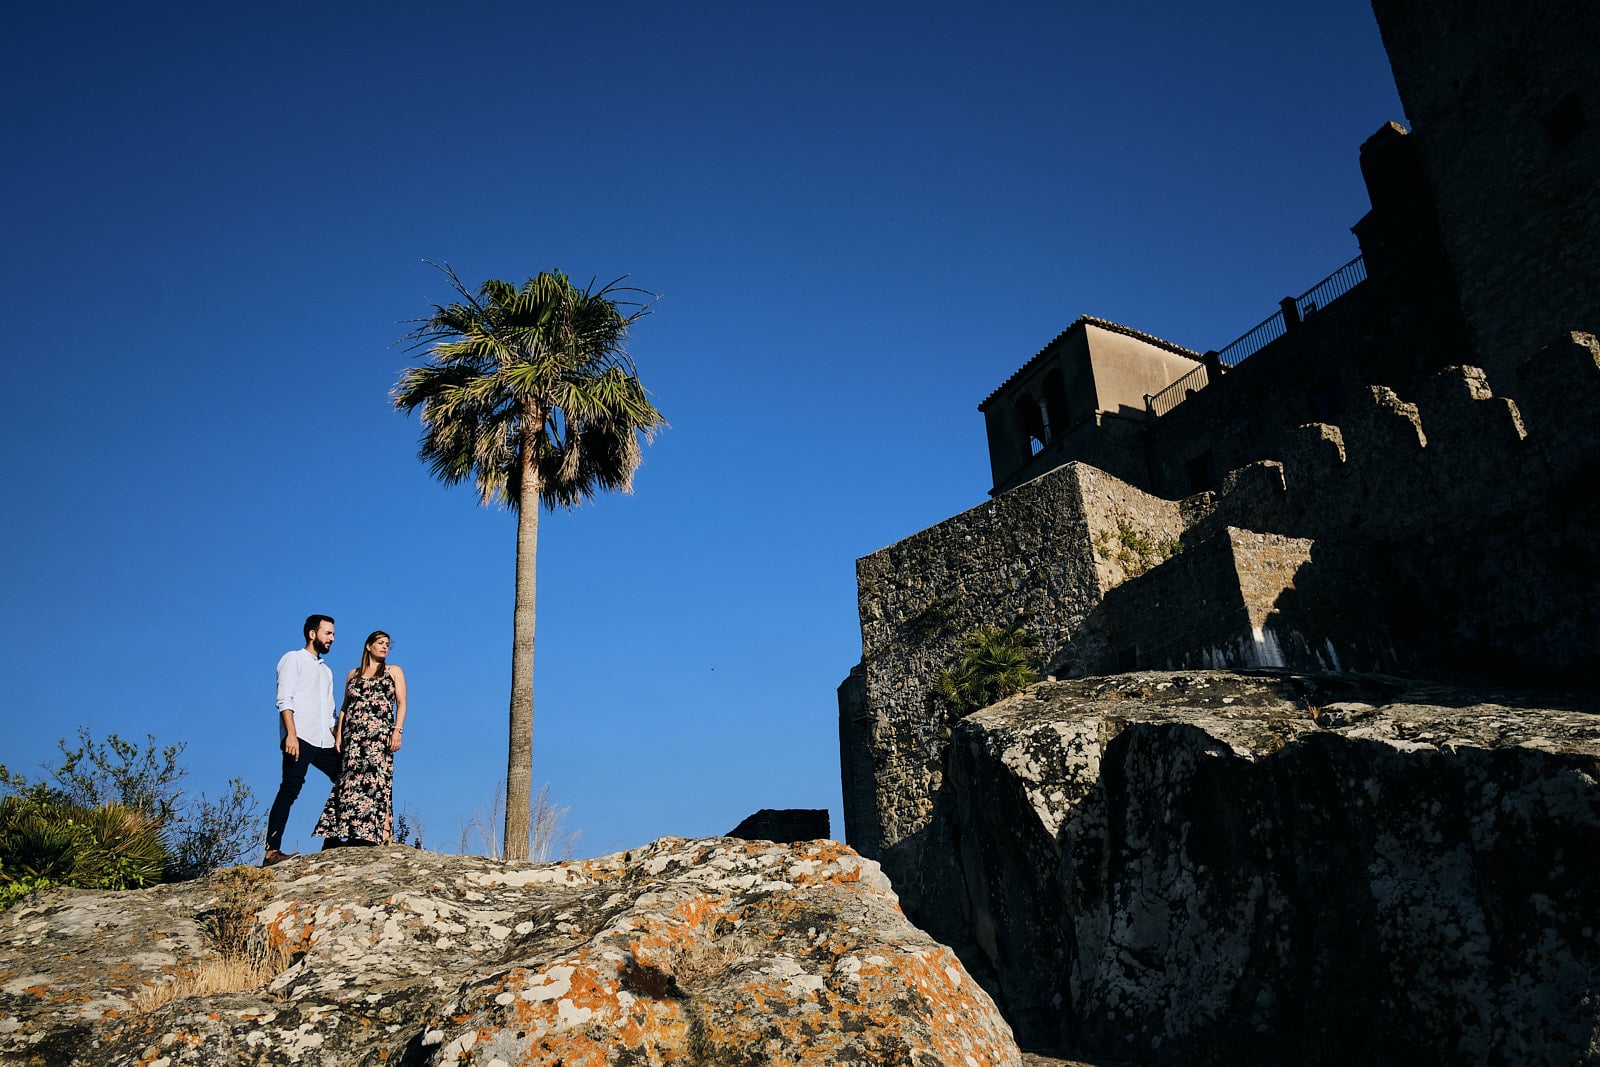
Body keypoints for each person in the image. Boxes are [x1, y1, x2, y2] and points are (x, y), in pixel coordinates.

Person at [314, 630, 407, 847]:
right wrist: (338, 736)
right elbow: (345, 707)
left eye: (387, 644)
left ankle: (377, 835)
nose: (384, 647)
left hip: (379, 738)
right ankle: (340, 832)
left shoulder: (394, 671)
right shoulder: (353, 674)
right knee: (348, 784)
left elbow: (401, 702)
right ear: (368, 646)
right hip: (353, 739)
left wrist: (397, 731)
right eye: (380, 643)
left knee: (377, 783)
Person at [264, 614, 339, 866]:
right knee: (289, 789)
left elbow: (329, 714)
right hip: (300, 737)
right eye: (328, 633)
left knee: (349, 778)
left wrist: (338, 738)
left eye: (333, 634)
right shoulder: (292, 659)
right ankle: (272, 852)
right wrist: (291, 736)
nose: (332, 638)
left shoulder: (327, 671)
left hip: (324, 741)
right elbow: (284, 699)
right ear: (312, 634)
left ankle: (333, 840)